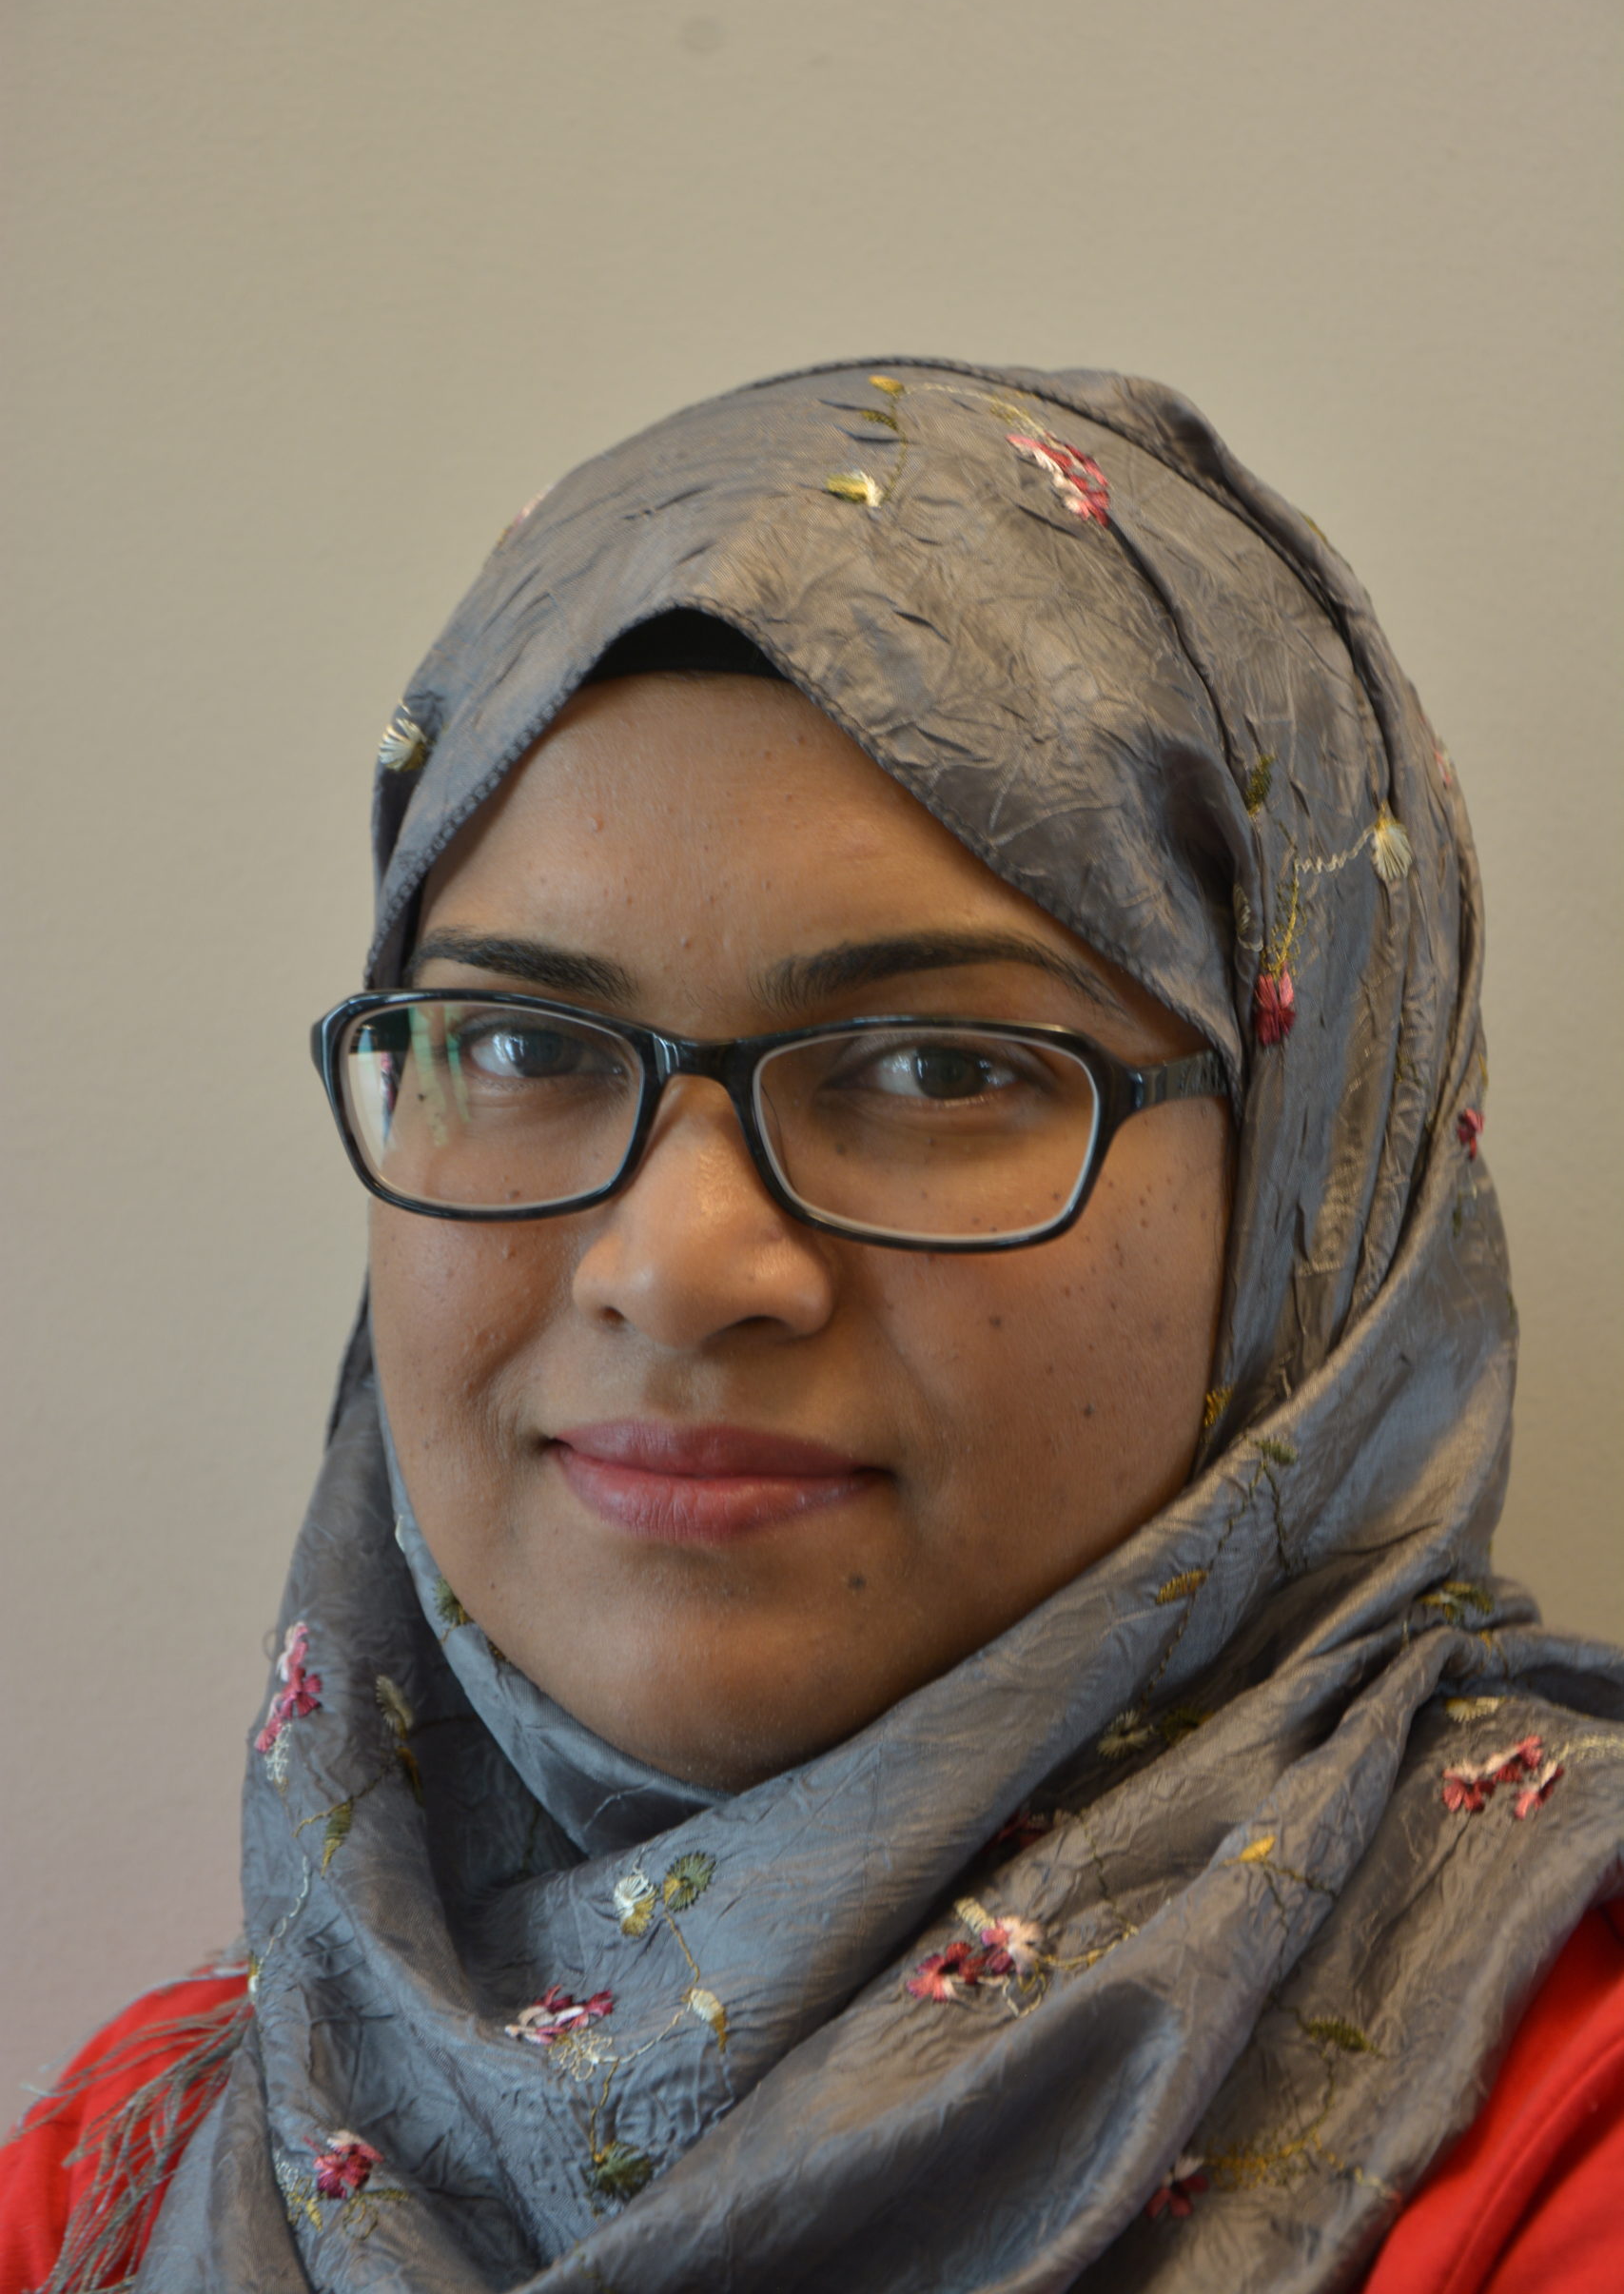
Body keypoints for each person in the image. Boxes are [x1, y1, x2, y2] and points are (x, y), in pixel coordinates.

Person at [4, 360, 1621, 2292]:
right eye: (517, 1041)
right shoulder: (147, 2163)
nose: (676, 1264)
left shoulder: (1551, 2119)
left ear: (1304, 1185)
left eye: (939, 1061)